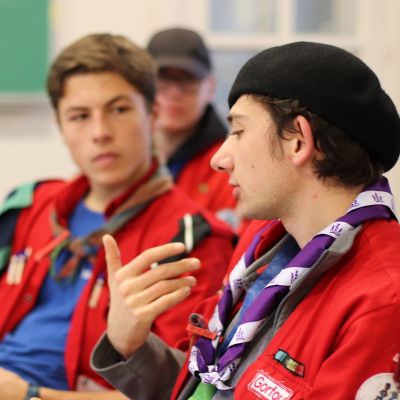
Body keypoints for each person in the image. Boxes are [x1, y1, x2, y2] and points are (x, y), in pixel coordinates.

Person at [91, 41, 400, 399]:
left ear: (298, 141)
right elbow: (216, 384)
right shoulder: (265, 247)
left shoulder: (383, 300)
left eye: (238, 132)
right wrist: (129, 345)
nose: (219, 159)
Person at [0, 33, 235, 399]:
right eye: (80, 116)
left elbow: (181, 390)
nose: (100, 133)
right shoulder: (30, 205)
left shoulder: (191, 239)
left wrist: (30, 396)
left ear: (152, 114)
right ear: (61, 128)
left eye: (119, 110)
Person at [147, 27, 238, 227]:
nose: (174, 92)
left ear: (210, 87)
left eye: (188, 79)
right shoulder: (122, 160)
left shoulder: (228, 167)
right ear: (144, 85)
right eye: (162, 78)